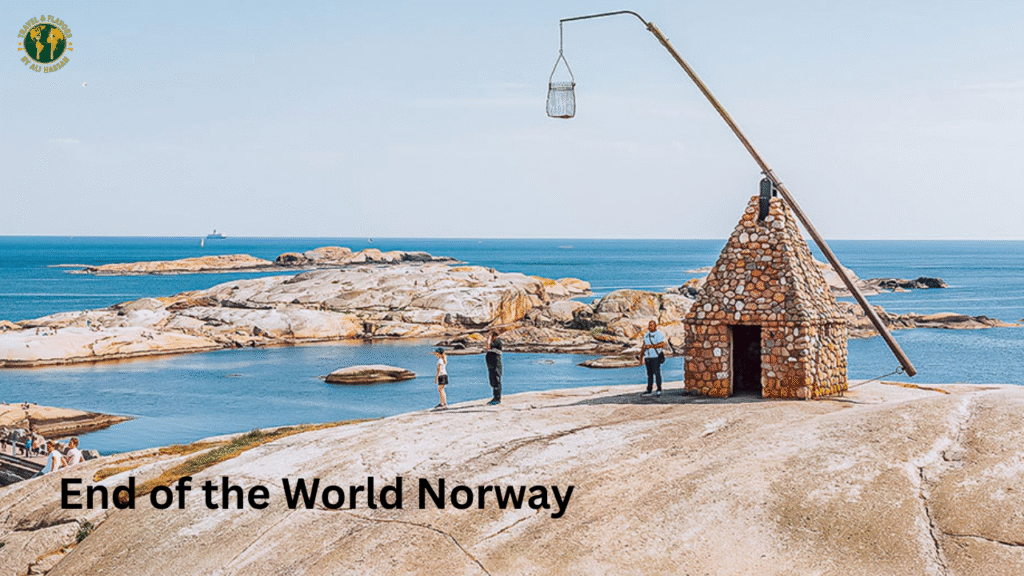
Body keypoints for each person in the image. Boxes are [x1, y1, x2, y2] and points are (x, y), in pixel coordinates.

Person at [639, 320, 665, 397]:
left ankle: (659, 389)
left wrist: (652, 346)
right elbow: (644, 345)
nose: (649, 327)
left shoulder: (658, 334)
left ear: (655, 326)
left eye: (651, 325)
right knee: (649, 374)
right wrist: (641, 357)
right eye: (649, 325)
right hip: (648, 357)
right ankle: (649, 389)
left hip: (655, 357)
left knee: (657, 373)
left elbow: (662, 344)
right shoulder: (646, 335)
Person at [485, 332, 503, 405]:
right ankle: (495, 397)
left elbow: (488, 346)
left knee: (496, 381)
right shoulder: (494, 342)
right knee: (492, 381)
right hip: (491, 365)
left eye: (492, 336)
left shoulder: (497, 342)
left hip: (496, 365)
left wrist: (489, 339)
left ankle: (497, 398)